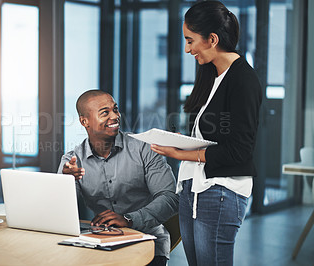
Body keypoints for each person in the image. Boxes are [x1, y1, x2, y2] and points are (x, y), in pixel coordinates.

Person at [150, 1, 262, 265]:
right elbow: (210, 138)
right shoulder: (211, 76)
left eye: (190, 41)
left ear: (212, 39)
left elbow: (239, 150)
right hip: (193, 189)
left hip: (219, 193)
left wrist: (180, 153)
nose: (187, 49)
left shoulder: (243, 80)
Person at [58, 90, 179, 266]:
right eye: (105, 112)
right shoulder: (72, 161)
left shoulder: (143, 149)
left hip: (147, 241)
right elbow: (61, 213)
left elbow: (170, 197)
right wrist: (66, 183)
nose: (115, 116)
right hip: (99, 242)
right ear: (84, 121)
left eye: (115, 109)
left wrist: (130, 219)